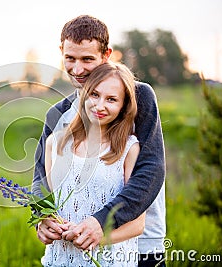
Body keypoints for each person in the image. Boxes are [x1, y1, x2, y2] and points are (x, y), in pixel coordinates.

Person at [32, 15, 166, 266]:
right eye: (70, 58)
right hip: (72, 249)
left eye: (88, 59)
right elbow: (40, 176)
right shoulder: (57, 114)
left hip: (139, 245)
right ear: (61, 52)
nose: (78, 69)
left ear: (106, 56)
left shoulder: (138, 96)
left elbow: (151, 169)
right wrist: (42, 215)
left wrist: (102, 221)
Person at [42, 61, 145, 266]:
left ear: (123, 106)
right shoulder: (55, 143)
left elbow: (137, 225)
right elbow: (51, 207)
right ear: (84, 95)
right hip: (60, 260)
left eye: (111, 99)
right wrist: (45, 225)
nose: (99, 106)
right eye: (95, 95)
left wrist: (96, 238)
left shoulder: (129, 149)